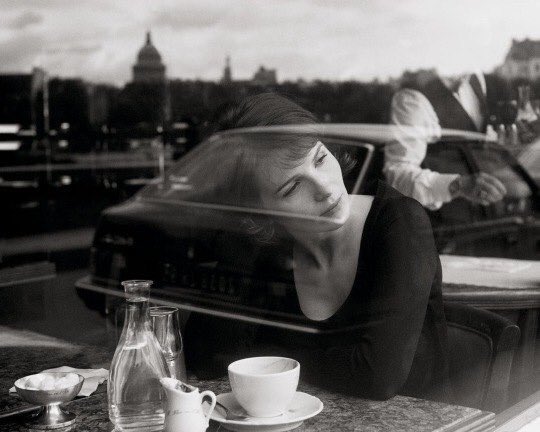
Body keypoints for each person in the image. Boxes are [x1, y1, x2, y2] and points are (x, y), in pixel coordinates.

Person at [185, 93, 452, 402]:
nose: (325, 189)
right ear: (261, 211)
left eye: (320, 159)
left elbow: (377, 377)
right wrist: (243, 239)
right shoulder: (270, 251)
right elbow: (205, 357)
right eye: (293, 187)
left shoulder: (400, 221)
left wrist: (267, 357)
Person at [384, 72, 507, 210]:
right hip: (444, 222)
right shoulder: (412, 99)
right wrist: (458, 185)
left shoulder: (478, 78)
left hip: (493, 212)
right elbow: (396, 177)